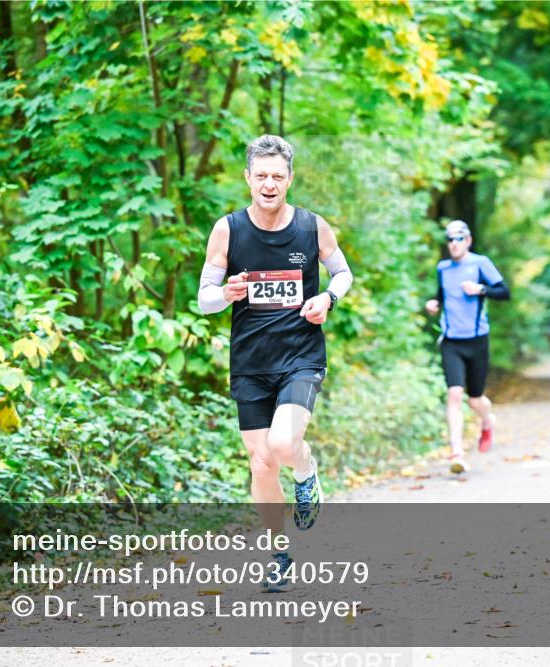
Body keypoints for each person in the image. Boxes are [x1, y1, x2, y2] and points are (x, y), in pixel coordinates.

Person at [197, 135, 353, 592]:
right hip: (250, 361)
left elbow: (342, 272)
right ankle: (279, 554)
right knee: (261, 463)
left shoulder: (312, 227)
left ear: (290, 179)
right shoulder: (228, 230)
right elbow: (204, 297)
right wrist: (224, 294)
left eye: (277, 176)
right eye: (260, 176)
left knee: (285, 445)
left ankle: (306, 473)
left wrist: (328, 296)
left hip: (301, 355)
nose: (269, 184)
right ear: (248, 178)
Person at [425, 220, 510, 474]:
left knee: (475, 400)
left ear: (468, 241)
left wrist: (481, 289)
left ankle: (487, 421)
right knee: (454, 393)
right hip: (452, 342)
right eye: (450, 239)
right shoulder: (443, 268)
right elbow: (442, 295)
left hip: (477, 340)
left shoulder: (480, 263)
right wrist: (434, 304)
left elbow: (505, 292)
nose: (454, 243)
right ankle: (457, 452)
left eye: (459, 238)